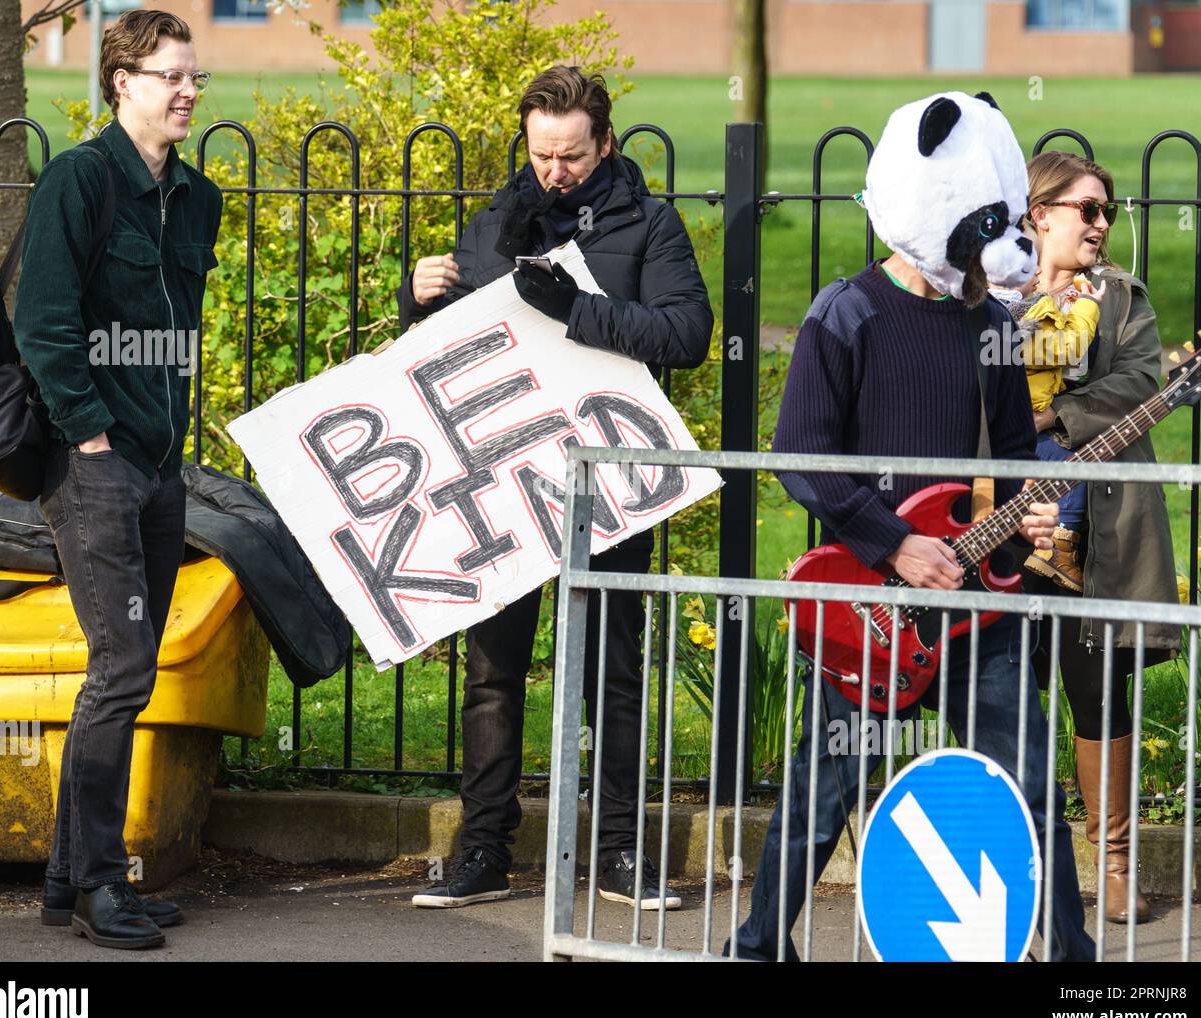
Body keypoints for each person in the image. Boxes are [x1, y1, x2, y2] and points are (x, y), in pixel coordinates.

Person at [727, 92, 1096, 962]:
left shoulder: (995, 327)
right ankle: (753, 949)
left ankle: (1078, 968)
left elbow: (1007, 464)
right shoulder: (842, 314)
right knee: (821, 793)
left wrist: (1020, 524)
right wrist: (892, 542)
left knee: (1033, 788)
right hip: (871, 608)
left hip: (976, 611)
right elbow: (799, 455)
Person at [397, 65, 712, 910]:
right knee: (493, 673)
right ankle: (483, 850)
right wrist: (417, 301)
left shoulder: (649, 224)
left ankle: (614, 853)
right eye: (542, 154)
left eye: (572, 155)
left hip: (610, 481)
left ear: (605, 143)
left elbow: (686, 335)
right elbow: (455, 346)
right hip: (508, 478)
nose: (555, 171)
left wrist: (580, 309)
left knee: (612, 671)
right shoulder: (499, 218)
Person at [14, 10, 222, 948]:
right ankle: (101, 884)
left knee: (120, 673)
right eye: (170, 76)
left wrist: (161, 439)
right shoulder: (79, 181)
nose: (187, 92)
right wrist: (90, 436)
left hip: (160, 463)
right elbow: (44, 325)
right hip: (91, 465)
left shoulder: (195, 198)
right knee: (125, 667)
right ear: (121, 81)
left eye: (194, 78)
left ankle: (68, 881)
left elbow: (170, 339)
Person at [1021, 151, 1179, 925]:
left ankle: (1113, 867)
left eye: (1107, 209)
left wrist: (1052, 414)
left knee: (1096, 691)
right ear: (1038, 213)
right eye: (1086, 208)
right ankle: (1017, 866)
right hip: (1001, 528)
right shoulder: (992, 297)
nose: (1101, 222)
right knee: (1007, 698)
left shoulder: (1119, 299)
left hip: (1097, 536)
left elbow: (1140, 382)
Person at [991, 270, 1105, 591]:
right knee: (1071, 466)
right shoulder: (1011, 328)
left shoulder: (1011, 318)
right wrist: (1087, 304)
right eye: (1027, 267)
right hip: (1020, 427)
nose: (1038, 271)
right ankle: (1057, 547)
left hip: (1023, 420)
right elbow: (1070, 347)